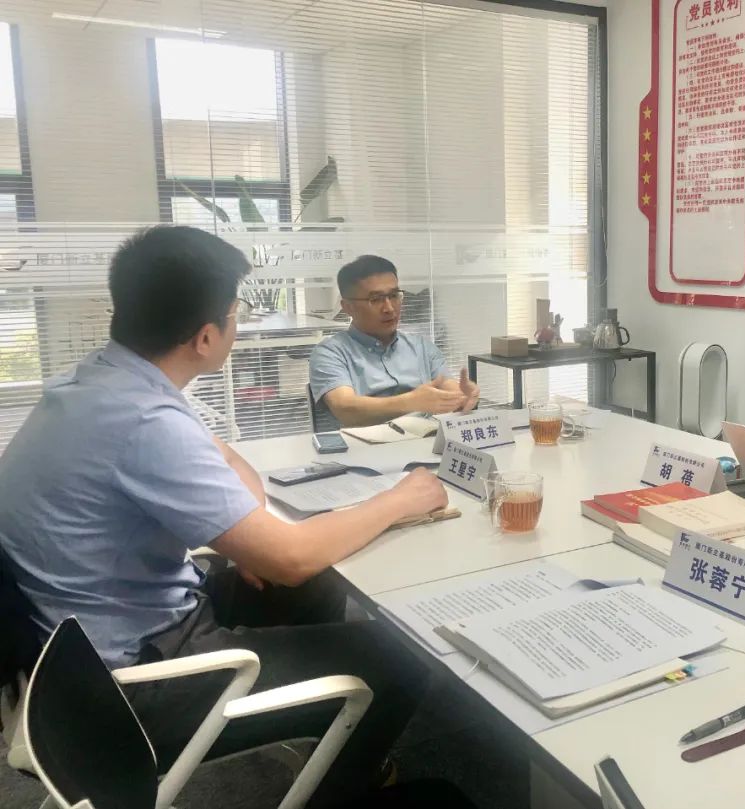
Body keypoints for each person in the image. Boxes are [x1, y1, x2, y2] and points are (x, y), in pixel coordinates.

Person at [0, 226, 449, 807]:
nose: (239, 325)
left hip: (89, 639)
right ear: (207, 336)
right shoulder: (144, 420)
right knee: (401, 658)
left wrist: (249, 536)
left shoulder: (102, 380)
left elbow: (231, 461)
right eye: (237, 314)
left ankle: (320, 725)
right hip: (128, 683)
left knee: (311, 583)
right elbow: (290, 557)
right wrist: (402, 499)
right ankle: (340, 780)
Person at [309, 255, 480, 429]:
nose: (389, 308)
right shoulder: (331, 353)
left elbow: (449, 389)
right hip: (364, 443)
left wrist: (462, 398)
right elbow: (345, 409)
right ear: (347, 307)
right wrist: (411, 402)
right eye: (375, 299)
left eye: (393, 296)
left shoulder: (422, 347)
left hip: (425, 441)